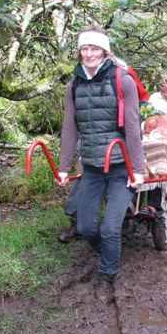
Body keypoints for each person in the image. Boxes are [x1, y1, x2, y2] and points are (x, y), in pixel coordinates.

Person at [57, 26, 145, 301]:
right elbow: (70, 128)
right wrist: (64, 166)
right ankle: (108, 252)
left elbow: (132, 127)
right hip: (93, 168)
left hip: (121, 168)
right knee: (85, 228)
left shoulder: (123, 80)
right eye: (84, 48)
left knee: (110, 228)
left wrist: (139, 170)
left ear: (105, 51)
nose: (89, 54)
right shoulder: (74, 85)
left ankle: (108, 273)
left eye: (94, 48)